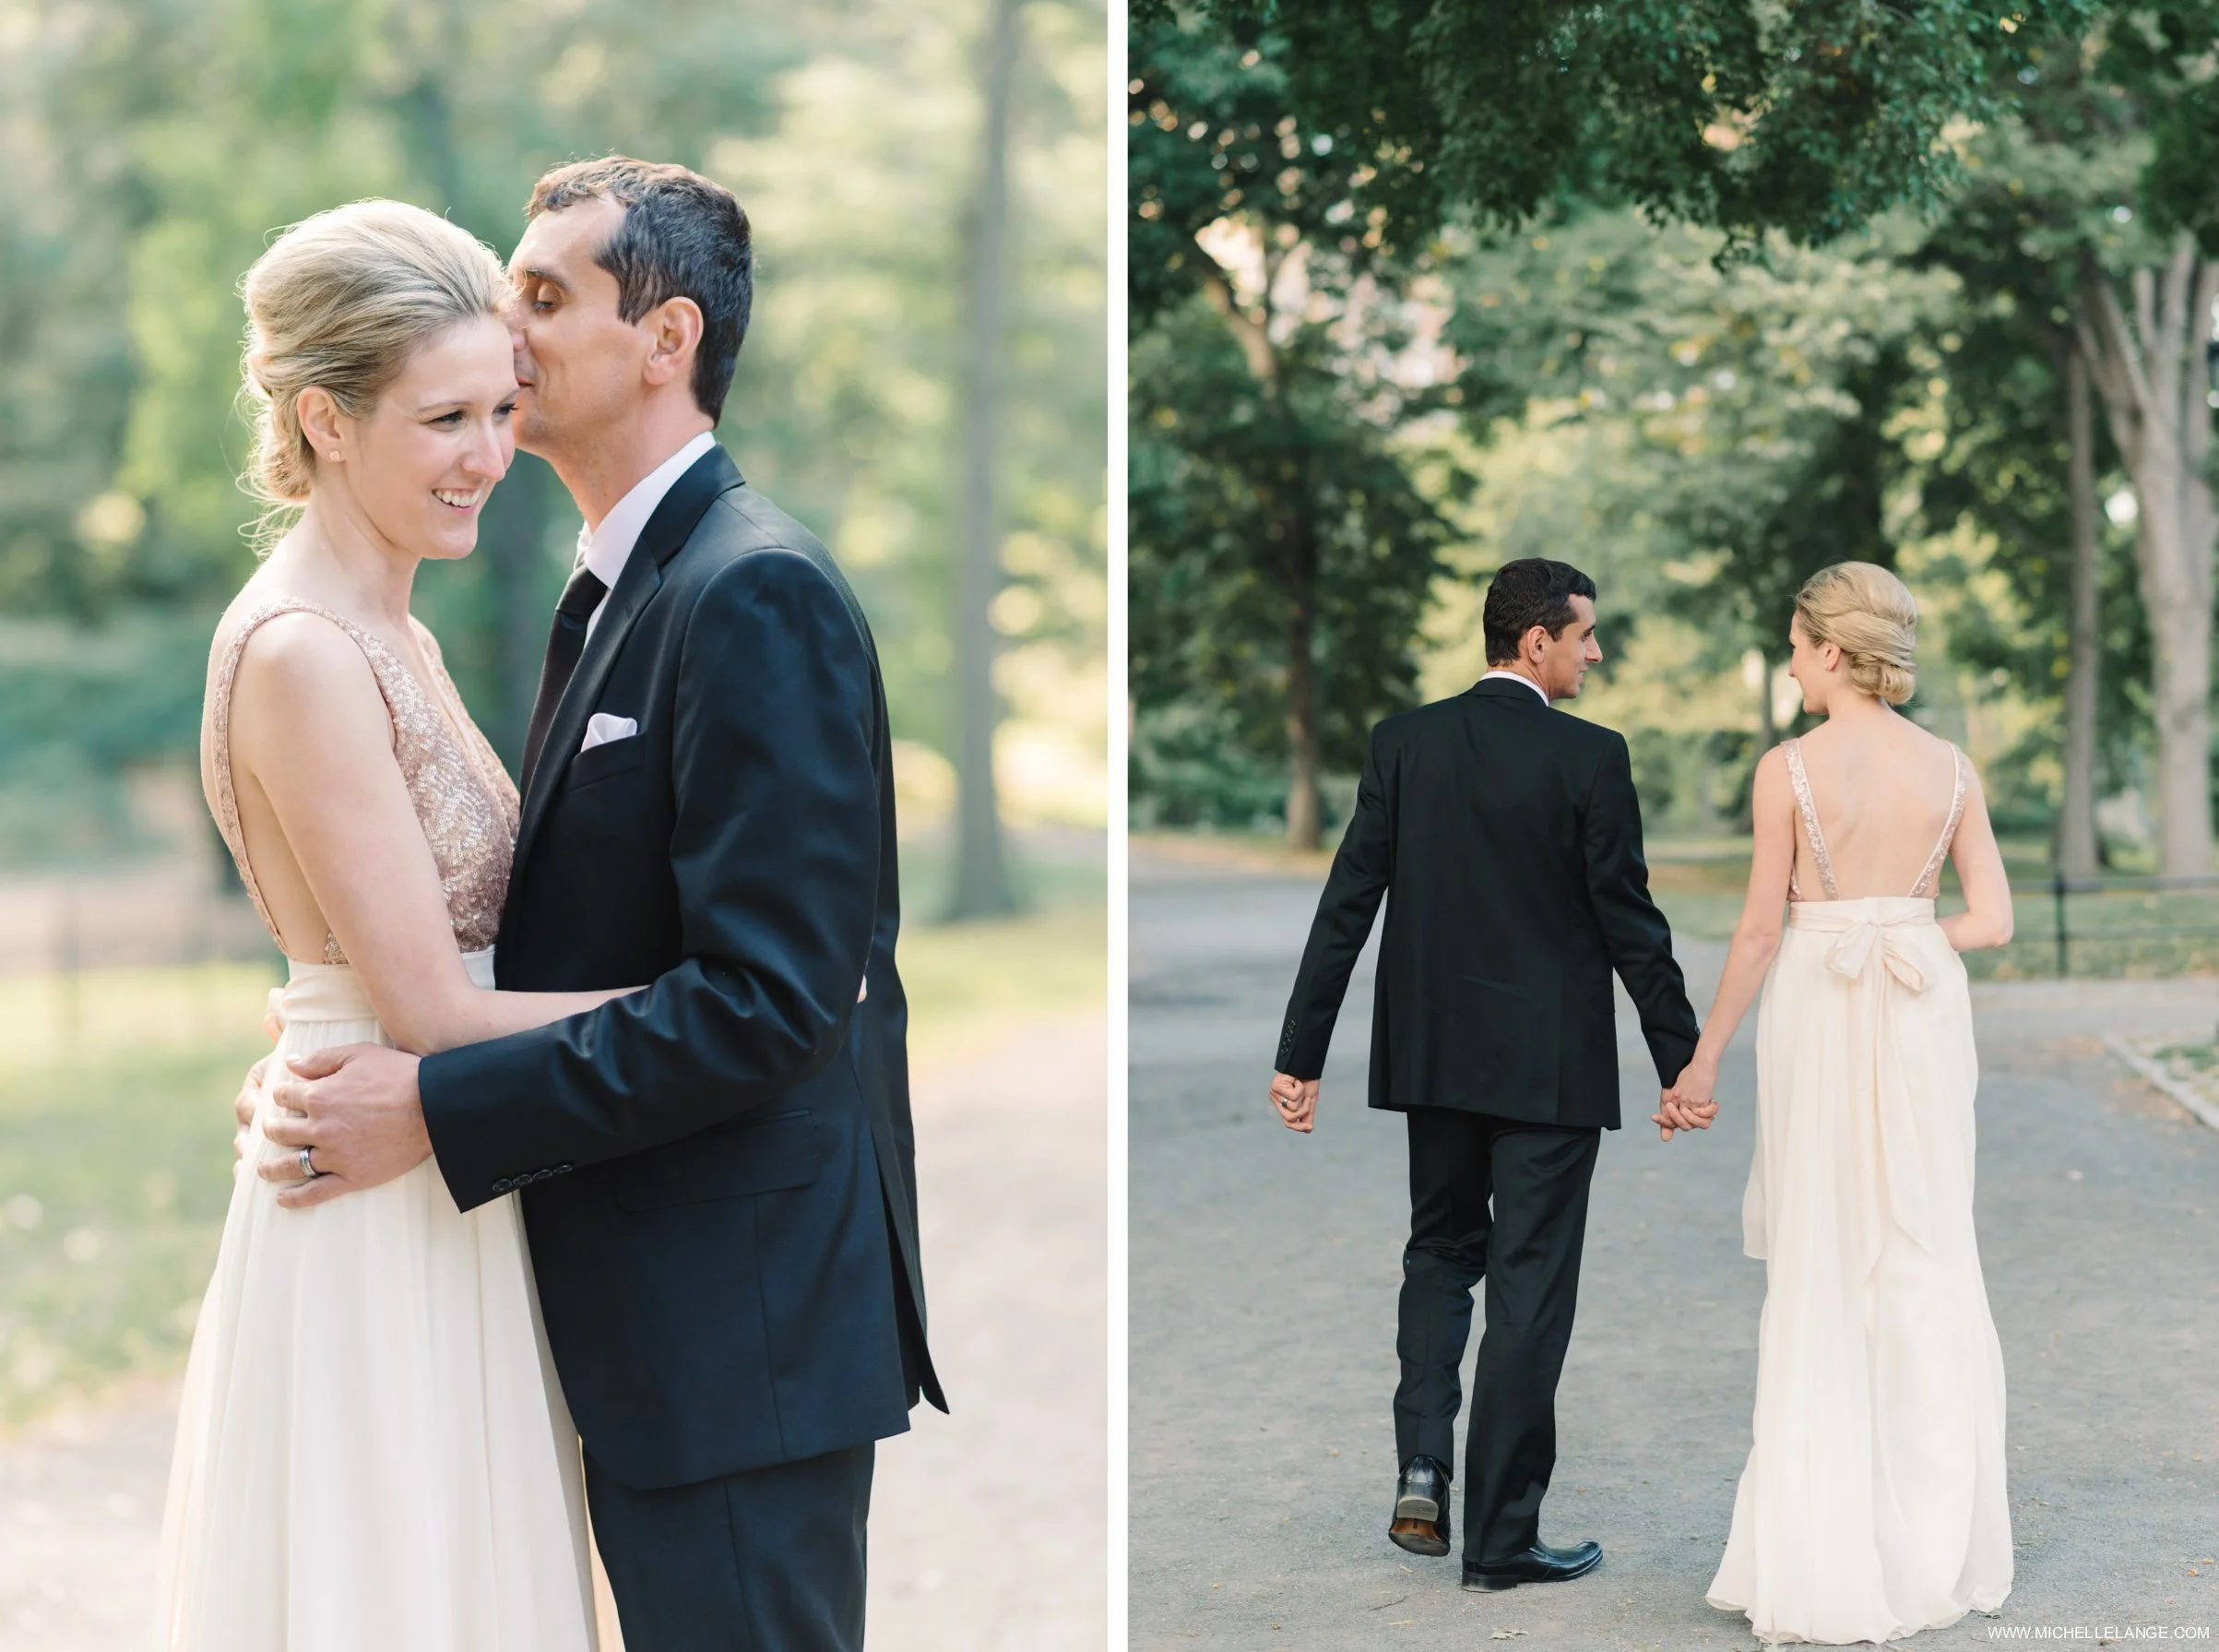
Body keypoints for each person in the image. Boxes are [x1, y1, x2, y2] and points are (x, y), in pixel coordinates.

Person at [211, 159, 942, 1652]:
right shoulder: (609, 590)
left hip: (732, 1330)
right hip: (599, 1301)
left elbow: (773, 1008)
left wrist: (427, 1095)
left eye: (540, 298)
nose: (507, 332)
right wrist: (327, 1032)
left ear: (664, 341)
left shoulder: (753, 590)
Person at [161, 198, 624, 1650]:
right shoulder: (303, 649)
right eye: (443, 418)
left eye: (501, 407)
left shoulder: (393, 626)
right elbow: (420, 1004)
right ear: (326, 420)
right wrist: (723, 1001)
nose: (488, 455)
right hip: (379, 1187)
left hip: (441, 1154)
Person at [1267, 557, 1708, 1592]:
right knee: (1528, 1293)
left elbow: (1347, 905)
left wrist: (1302, 1055)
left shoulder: (1404, 743)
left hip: (1434, 1060)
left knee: (1441, 1252)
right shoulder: (1592, 759)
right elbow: (1629, 922)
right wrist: (1680, 1060)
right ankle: (1502, 1542)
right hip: (1550, 1073)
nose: (1597, 651)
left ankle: (1424, 1460)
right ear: (1535, 641)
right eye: (1586, 634)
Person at [1665, 561, 2015, 1644]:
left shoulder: (1790, 768)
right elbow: (1992, 920)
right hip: (1917, 1015)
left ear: (1830, 649)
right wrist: (1905, 938)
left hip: (1823, 1009)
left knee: (1825, 1253)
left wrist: (1703, 1058)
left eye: (1794, 644)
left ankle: (1821, 1550)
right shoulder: (1952, 767)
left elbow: (1765, 933)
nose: (1788, 662)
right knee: (1922, 1247)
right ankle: (1930, 1546)